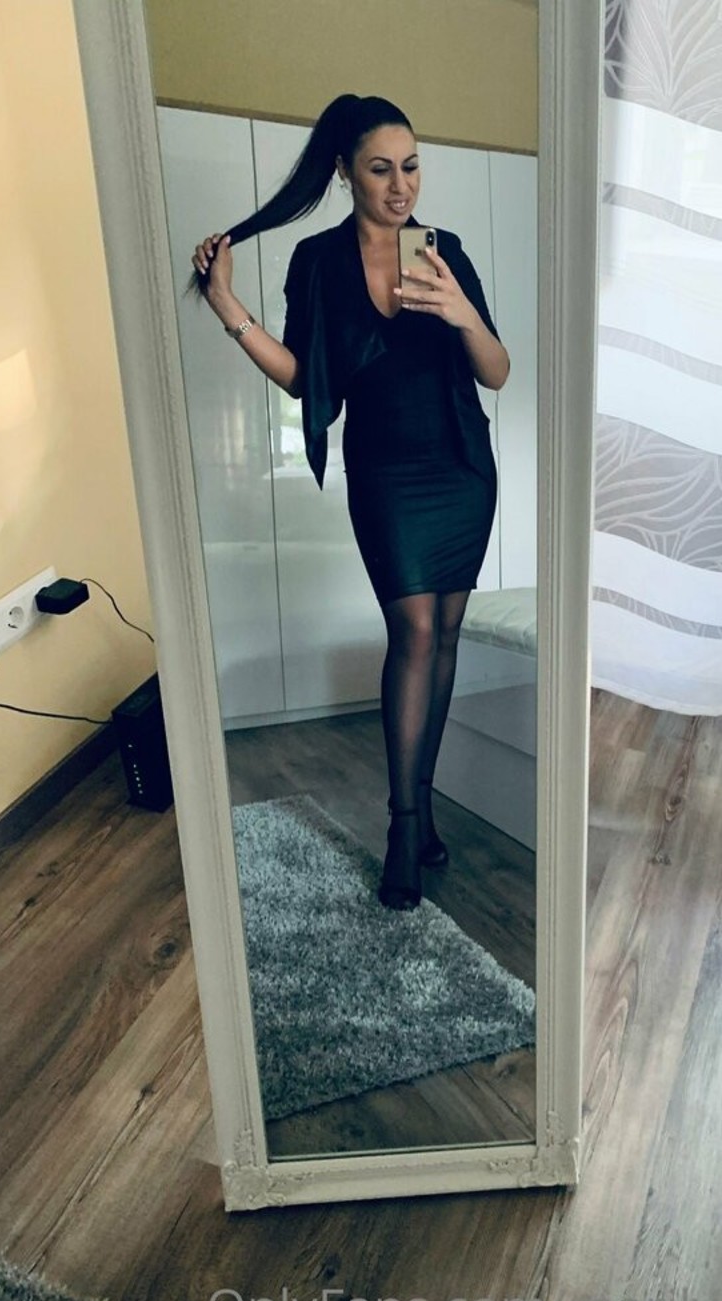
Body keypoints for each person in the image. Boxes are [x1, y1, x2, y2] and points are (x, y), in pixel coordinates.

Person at [190, 94, 510, 912]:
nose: (401, 186)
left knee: (445, 635)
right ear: (345, 173)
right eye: (380, 169)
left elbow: (497, 370)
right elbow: (308, 381)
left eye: (411, 166)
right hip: (386, 474)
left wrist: (461, 312)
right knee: (414, 631)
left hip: (461, 465)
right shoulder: (318, 261)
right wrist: (228, 308)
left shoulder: (445, 253)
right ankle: (403, 824)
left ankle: (422, 806)